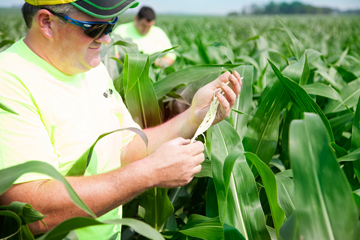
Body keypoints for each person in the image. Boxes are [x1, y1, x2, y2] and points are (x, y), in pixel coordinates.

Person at [0, 0, 242, 239]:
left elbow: (126, 147)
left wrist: (194, 116)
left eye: (111, 25)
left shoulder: (91, 69)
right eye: (95, 29)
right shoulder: (9, 81)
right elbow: (32, 211)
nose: (106, 39)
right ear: (46, 22)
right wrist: (148, 173)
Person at [112, 6, 176, 68]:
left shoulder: (159, 33)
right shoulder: (121, 31)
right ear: (136, 18)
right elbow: (111, 55)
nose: (146, 29)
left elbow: (171, 56)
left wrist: (154, 62)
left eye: (149, 26)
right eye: (143, 25)